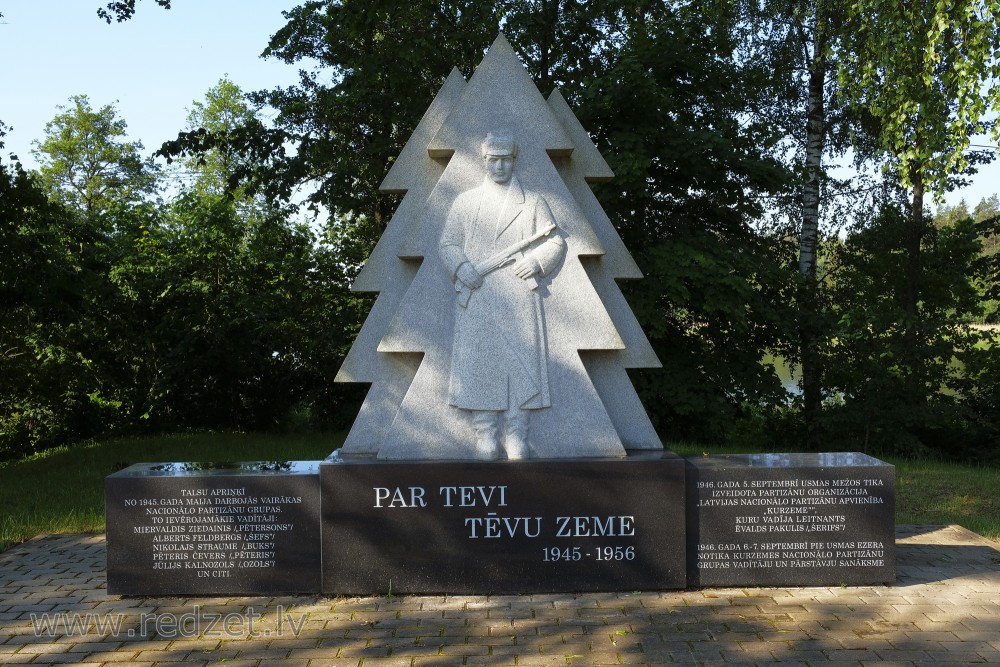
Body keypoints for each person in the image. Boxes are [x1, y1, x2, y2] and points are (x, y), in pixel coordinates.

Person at [439, 132, 567, 459]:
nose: (499, 166)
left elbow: (555, 241)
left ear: (514, 160)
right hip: (478, 294)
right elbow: (448, 244)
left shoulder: (533, 201)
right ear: (483, 160)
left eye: (505, 159)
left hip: (518, 294)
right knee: (480, 363)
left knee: (519, 364)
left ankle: (517, 435)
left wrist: (536, 262)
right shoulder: (465, 202)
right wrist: (462, 268)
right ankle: (485, 435)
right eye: (493, 159)